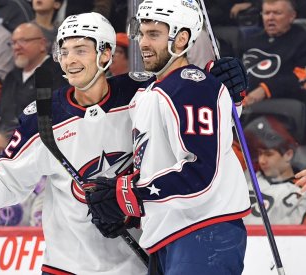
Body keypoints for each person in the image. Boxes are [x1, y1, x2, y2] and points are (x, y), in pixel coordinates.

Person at [0, 11, 248, 275]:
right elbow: (6, 176)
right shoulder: (44, 118)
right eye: (65, 51)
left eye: (81, 50)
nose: (70, 60)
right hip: (71, 265)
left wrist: (221, 85)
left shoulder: (143, 94)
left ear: (105, 54)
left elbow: (200, 121)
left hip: (141, 261)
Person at [85, 0, 251, 274]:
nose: (143, 43)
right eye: (143, 33)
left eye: (155, 34)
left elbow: (199, 174)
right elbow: (156, 166)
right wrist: (126, 208)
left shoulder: (190, 87)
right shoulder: (150, 93)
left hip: (203, 231)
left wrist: (131, 195)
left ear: (181, 39)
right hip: (169, 232)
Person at [243, 116, 306, 224]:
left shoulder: (304, 192)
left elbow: (295, 237)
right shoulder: (247, 177)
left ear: (288, 155)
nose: (262, 160)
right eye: (260, 154)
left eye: (268, 154)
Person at [241, 0, 306, 106]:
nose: (270, 18)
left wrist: (265, 89)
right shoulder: (250, 41)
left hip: (280, 105)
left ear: (292, 16)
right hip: (243, 103)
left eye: (277, 13)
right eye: (266, 13)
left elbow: (303, 76)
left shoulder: (303, 40)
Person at [0, 22, 67, 126]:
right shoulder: (11, 77)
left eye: (22, 41)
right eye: (13, 43)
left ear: (42, 44)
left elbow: (58, 114)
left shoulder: (58, 73)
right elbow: (3, 114)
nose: (16, 47)